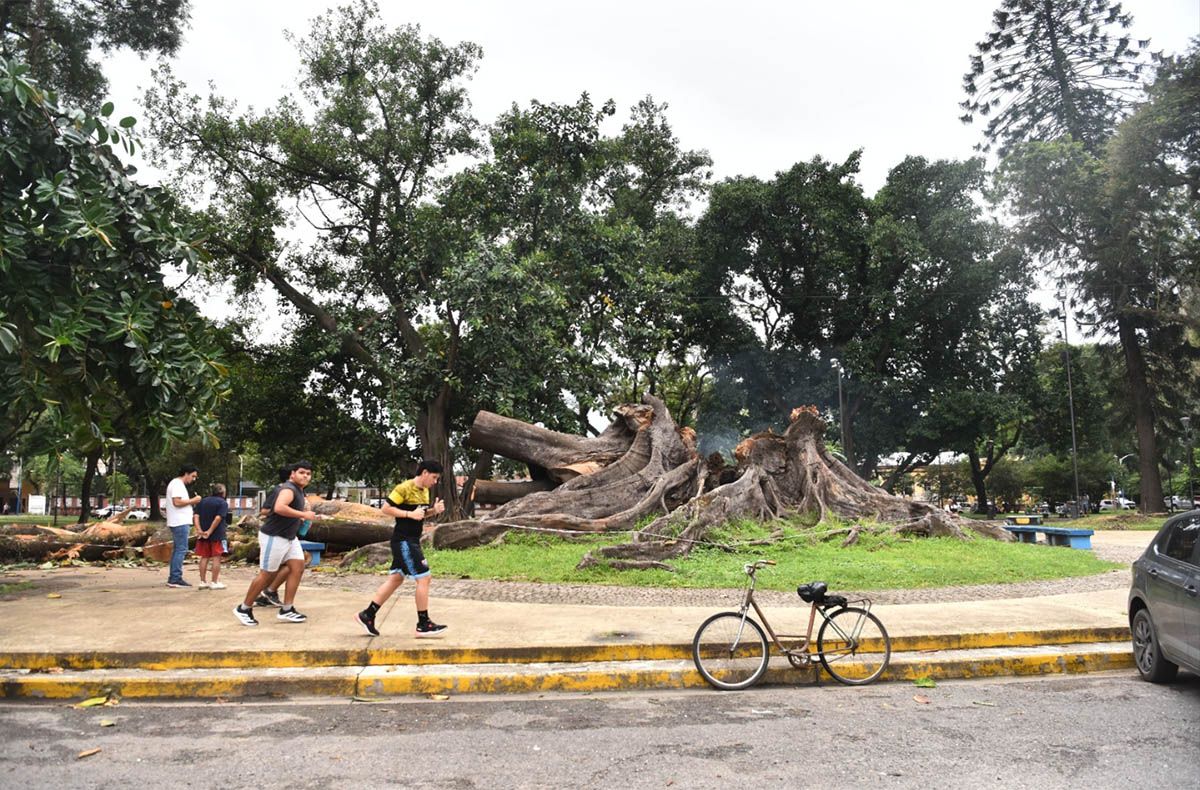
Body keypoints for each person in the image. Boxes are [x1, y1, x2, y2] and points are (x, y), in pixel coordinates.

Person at [356, 459, 448, 638]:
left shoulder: (425, 491)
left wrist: (433, 511)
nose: (435, 482)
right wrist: (408, 514)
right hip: (404, 540)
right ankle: (423, 624)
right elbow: (386, 508)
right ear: (424, 473)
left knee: (395, 579)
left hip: (412, 539)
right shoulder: (404, 488)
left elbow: (418, 515)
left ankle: (367, 615)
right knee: (424, 578)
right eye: (434, 477)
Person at [233, 461, 317, 626]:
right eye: (301, 472)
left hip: (289, 537)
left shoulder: (299, 490)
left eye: (308, 473)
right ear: (293, 474)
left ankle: (287, 609)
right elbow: (279, 508)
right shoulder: (288, 489)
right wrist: (304, 515)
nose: (305, 476)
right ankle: (244, 608)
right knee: (267, 574)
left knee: (298, 567)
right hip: (274, 536)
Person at [165, 465, 201, 588]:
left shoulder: (177, 484)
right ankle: (175, 577)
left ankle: (174, 577)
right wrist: (193, 500)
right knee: (181, 549)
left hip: (179, 521)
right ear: (186, 473)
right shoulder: (177, 484)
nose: (194, 479)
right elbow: (177, 502)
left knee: (178, 549)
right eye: (193, 476)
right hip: (179, 522)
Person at [194, 483, 230, 590]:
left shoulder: (202, 501)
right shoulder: (222, 503)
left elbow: (196, 516)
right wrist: (210, 531)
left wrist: (199, 530)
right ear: (222, 492)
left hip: (203, 534)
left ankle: (202, 581)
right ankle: (214, 581)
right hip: (217, 534)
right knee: (216, 558)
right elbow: (218, 518)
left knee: (204, 557)